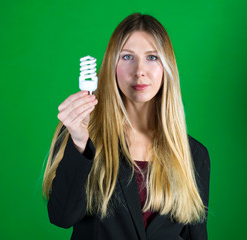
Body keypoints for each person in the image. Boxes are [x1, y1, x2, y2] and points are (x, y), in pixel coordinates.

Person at [42, 13, 210, 240]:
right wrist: (80, 143)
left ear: (166, 68)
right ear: (112, 65)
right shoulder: (79, 135)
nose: (139, 70)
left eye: (152, 57)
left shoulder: (194, 154)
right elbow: (61, 217)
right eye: (127, 57)